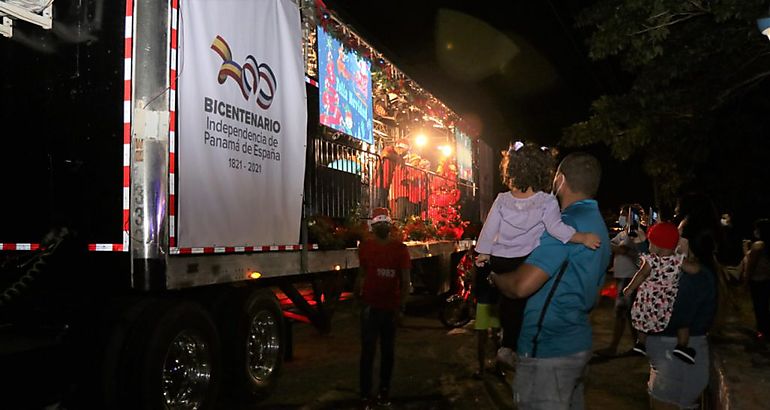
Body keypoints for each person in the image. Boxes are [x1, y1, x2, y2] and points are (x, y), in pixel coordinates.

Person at [490, 152, 611, 409]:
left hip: (548, 352)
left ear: (561, 180)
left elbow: (521, 286)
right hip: (577, 343)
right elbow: (595, 293)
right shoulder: (597, 225)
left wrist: (494, 278)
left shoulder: (567, 226)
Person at [475, 142, 601, 367]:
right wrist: (582, 237)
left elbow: (489, 229)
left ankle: (505, 345)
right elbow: (556, 229)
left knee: (507, 302)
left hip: (501, 259)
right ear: (545, 172)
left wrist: (484, 254)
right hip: (525, 257)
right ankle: (511, 344)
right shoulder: (547, 201)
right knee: (523, 302)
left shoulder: (502, 199)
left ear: (510, 169)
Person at [643, 193, 718, 409]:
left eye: (680, 232)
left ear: (691, 241)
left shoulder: (692, 277)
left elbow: (669, 316)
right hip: (676, 362)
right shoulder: (697, 272)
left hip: (674, 365)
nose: (675, 237)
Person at [355, 207, 411, 408]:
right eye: (380, 224)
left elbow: (405, 281)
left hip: (386, 307)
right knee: (370, 352)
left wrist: (401, 307)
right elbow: (361, 274)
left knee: (385, 352)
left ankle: (380, 392)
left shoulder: (399, 249)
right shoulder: (367, 248)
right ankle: (367, 394)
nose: (381, 227)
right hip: (373, 306)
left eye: (383, 224)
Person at [622, 222, 699, 363]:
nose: (649, 246)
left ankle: (641, 344)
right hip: (666, 300)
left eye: (650, 243)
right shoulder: (678, 260)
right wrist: (693, 262)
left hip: (647, 298)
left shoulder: (651, 260)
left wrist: (630, 288)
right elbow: (694, 270)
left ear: (657, 246)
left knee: (642, 320)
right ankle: (682, 346)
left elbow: (641, 275)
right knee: (683, 323)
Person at [597, 218, 646, 357]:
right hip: (623, 277)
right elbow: (613, 246)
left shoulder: (634, 234)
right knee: (627, 314)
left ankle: (617, 347)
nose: (620, 219)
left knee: (623, 313)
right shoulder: (624, 233)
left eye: (623, 215)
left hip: (629, 278)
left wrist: (604, 242)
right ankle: (637, 346)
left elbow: (620, 249)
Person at [466, 250, 504, 379]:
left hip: (487, 301)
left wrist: (471, 301)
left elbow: (474, 282)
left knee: (487, 339)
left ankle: (485, 370)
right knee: (495, 338)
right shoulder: (499, 260)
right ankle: (495, 369)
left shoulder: (480, 262)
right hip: (491, 301)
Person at [743, 218, 770, 343]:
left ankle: (762, 333)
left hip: (758, 280)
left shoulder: (758, 245)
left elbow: (751, 265)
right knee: (764, 306)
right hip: (766, 279)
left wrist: (745, 281)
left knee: (759, 307)